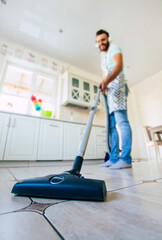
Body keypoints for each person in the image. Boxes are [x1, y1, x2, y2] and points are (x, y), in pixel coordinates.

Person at [96, 29, 132, 169]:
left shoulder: (114, 48)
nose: (101, 43)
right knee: (111, 126)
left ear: (108, 39)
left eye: (103, 40)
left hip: (118, 86)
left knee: (121, 122)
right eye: (98, 41)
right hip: (109, 90)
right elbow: (106, 74)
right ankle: (113, 158)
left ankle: (126, 159)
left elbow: (118, 67)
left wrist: (106, 81)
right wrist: (103, 85)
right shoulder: (102, 56)